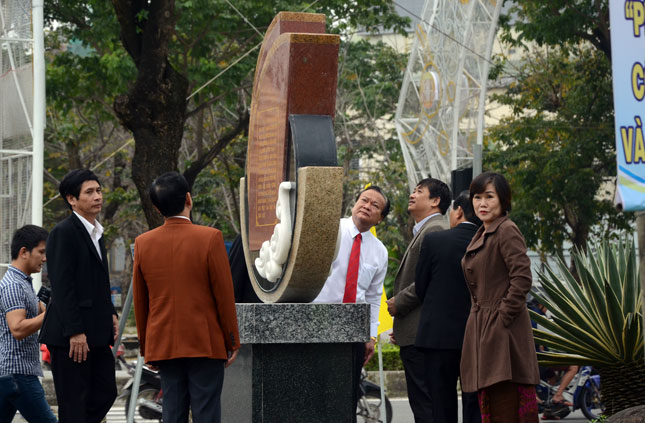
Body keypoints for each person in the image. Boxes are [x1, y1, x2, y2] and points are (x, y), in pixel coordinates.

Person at [132, 171, 240, 423]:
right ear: (188, 199)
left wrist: (147, 346)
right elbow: (224, 295)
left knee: (172, 411)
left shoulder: (143, 243)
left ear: (158, 209)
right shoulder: (210, 238)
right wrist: (232, 339)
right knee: (206, 412)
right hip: (205, 341)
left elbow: (141, 300)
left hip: (165, 342)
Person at [39, 169, 118, 423]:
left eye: (98, 190)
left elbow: (98, 283)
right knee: (74, 403)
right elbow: (62, 287)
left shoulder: (97, 232)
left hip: (96, 331)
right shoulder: (64, 232)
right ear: (72, 199)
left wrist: (112, 314)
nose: (97, 196)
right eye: (89, 192)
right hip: (70, 336)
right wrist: (75, 331)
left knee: (106, 392)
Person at [460, 172, 540, 422]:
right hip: (483, 327)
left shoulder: (506, 230)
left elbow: (522, 278)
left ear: (503, 200)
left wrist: (502, 317)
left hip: (503, 331)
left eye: (489, 197)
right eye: (477, 197)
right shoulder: (483, 232)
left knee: (505, 404)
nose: (481, 203)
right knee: (492, 406)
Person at [313, 185, 390, 416]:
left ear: (380, 219)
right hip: (318, 319)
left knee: (346, 394)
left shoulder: (380, 252)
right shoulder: (331, 230)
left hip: (352, 329)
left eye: (375, 205)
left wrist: (371, 334)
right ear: (355, 203)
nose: (367, 206)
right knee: (314, 389)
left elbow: (374, 297)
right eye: (364, 200)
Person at [386, 177, 450, 423]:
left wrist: (398, 303)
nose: (412, 195)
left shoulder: (434, 229)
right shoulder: (425, 229)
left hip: (422, 335)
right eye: (413, 190)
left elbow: (430, 280)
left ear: (435, 201)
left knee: (425, 404)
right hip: (416, 331)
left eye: (419, 191)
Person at [414, 191, 482, 423]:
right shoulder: (489, 243)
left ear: (459, 211)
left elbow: (421, 287)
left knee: (441, 404)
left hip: (438, 338)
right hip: (477, 337)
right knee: (475, 402)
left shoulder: (435, 241)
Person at [0, 225, 57, 423]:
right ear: (24, 252)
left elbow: (36, 316)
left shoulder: (23, 282)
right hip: (19, 373)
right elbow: (18, 328)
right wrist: (52, 312)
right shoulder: (14, 285)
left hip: (10, 372)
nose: (45, 258)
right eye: (41, 252)